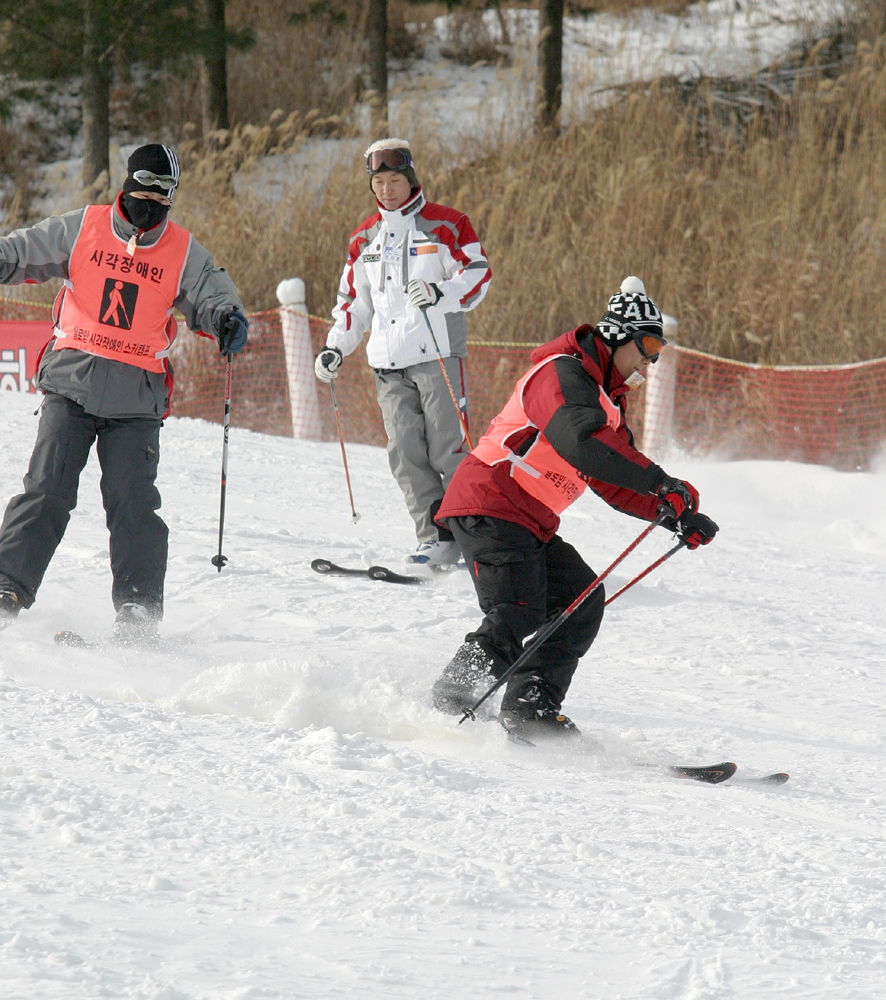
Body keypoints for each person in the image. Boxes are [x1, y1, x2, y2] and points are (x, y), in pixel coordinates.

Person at [431, 277, 718, 740]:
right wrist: (660, 480)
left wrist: (674, 511)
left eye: (658, 349)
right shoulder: (561, 374)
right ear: (616, 336)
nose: (651, 359)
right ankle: (452, 697)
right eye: (647, 344)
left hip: (530, 520)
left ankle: (530, 705)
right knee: (516, 609)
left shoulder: (607, 402)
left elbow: (611, 477)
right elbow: (580, 442)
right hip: (491, 501)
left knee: (581, 600)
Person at [0, 144, 248, 644]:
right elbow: (24, 251)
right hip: (72, 384)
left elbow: (211, 290)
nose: (151, 202)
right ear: (126, 182)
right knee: (46, 489)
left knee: (134, 504)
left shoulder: (181, 249)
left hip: (136, 400)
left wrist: (225, 317)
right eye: (145, 187)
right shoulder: (84, 227)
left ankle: (137, 610)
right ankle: (7, 586)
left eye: (164, 194)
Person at [314, 138, 491, 565]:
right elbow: (354, 303)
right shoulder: (363, 239)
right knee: (405, 452)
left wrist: (439, 292)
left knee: (449, 448)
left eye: (395, 179)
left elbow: (478, 274)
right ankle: (435, 538)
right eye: (379, 181)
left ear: (410, 179)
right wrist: (335, 347)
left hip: (437, 354)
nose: (387, 189)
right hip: (388, 365)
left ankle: (473, 538)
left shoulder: (446, 225)